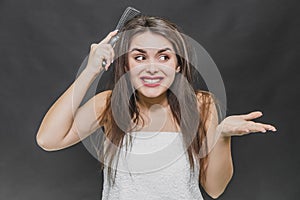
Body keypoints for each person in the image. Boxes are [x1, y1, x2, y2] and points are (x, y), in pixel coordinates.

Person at [36, 15, 277, 199]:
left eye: (164, 57)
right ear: (127, 65)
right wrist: (91, 70)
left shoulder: (201, 105)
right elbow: (48, 140)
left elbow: (214, 189)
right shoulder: (108, 104)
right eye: (140, 57)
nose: (152, 68)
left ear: (178, 65)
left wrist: (222, 135)